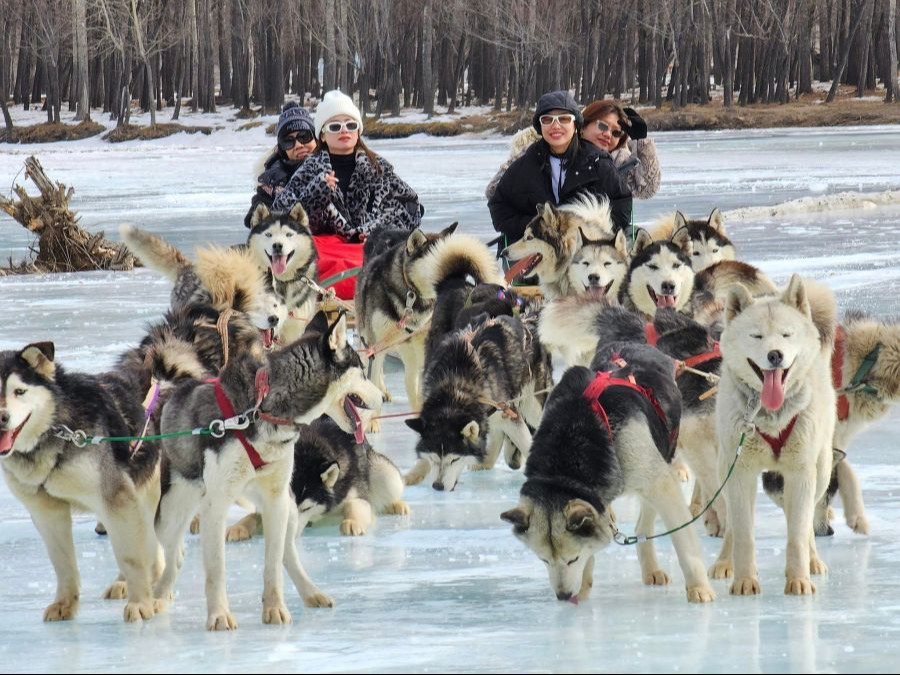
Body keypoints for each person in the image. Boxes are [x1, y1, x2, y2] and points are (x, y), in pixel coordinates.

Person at [272, 90, 422, 243]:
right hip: (326, 253)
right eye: (335, 126)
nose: (344, 130)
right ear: (322, 135)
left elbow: (411, 209)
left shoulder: (378, 169)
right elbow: (280, 216)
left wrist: (371, 231)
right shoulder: (309, 170)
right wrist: (316, 193)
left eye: (350, 125)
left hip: (373, 251)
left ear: (358, 131)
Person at [487, 90, 632, 249]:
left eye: (564, 119)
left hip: (585, 249)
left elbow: (622, 205)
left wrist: (592, 231)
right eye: (547, 119)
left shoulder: (597, 161)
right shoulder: (525, 165)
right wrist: (536, 227)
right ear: (540, 126)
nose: (555, 126)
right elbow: (499, 207)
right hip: (538, 249)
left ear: (576, 124)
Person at [243, 102, 317, 228]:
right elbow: (253, 219)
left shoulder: (334, 166)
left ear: (316, 138)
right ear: (282, 149)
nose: (299, 145)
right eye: (288, 141)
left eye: (304, 137)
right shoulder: (272, 181)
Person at [580, 100, 660, 199]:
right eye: (602, 126)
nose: (608, 134)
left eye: (616, 133)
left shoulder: (620, 163)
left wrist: (641, 142)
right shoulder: (565, 154)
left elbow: (646, 190)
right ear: (583, 126)